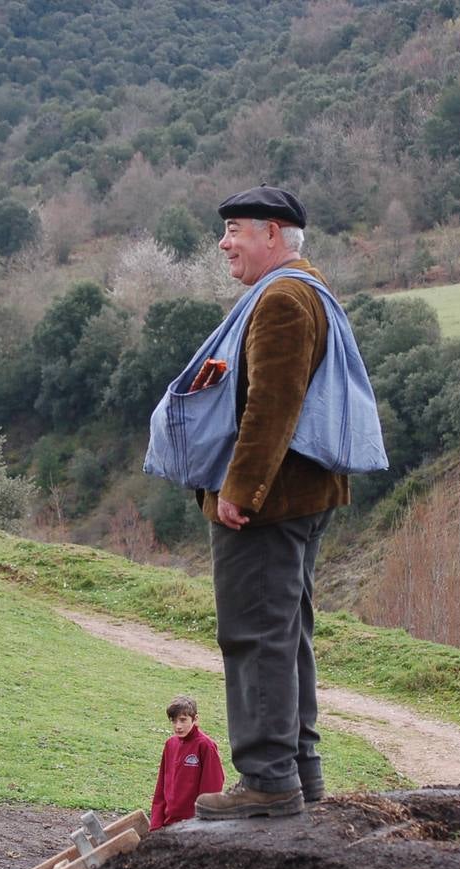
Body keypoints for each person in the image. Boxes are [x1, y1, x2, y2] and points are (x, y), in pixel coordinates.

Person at [194, 185, 349, 821]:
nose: (225, 242)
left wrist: (239, 490)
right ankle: (299, 771)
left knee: (255, 634)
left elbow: (272, 405)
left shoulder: (283, 298)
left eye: (236, 229)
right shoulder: (302, 289)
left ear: (274, 236)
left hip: (270, 504)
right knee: (286, 634)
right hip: (295, 498)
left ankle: (266, 779)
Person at [150, 695, 224, 830]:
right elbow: (161, 786)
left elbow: (212, 788)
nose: (178, 726)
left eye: (183, 720)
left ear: (195, 719)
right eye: (174, 721)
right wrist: (155, 824)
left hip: (191, 827)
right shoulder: (170, 744)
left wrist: (201, 825)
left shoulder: (206, 746)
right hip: (167, 824)